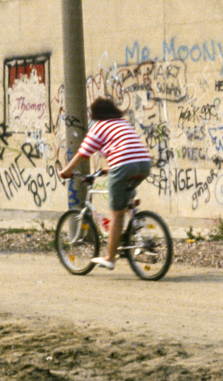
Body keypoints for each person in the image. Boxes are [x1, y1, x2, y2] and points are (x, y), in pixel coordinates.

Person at [58, 97, 152, 270]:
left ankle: (109, 257)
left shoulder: (99, 126)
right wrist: (111, 168)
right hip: (144, 163)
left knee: (116, 214)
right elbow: (125, 149)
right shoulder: (122, 123)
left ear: (95, 114)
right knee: (124, 198)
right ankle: (134, 219)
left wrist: (66, 171)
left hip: (124, 165)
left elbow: (83, 153)